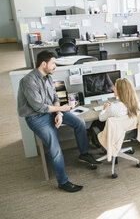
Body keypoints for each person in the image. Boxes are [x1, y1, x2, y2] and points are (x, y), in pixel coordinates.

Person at [17, 50, 100, 193]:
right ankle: (63, 182)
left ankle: (84, 153)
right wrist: (61, 108)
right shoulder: (28, 81)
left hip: (53, 111)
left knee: (79, 123)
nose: (55, 66)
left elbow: (55, 97)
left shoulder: (48, 76)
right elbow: (39, 107)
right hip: (36, 117)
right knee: (55, 149)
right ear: (44, 64)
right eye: (53, 63)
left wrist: (59, 112)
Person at [89, 78, 140, 149]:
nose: (113, 88)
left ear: (120, 91)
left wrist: (104, 109)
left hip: (115, 134)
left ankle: (98, 143)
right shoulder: (135, 104)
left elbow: (101, 118)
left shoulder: (113, 108)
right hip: (128, 131)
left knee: (95, 123)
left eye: (115, 87)